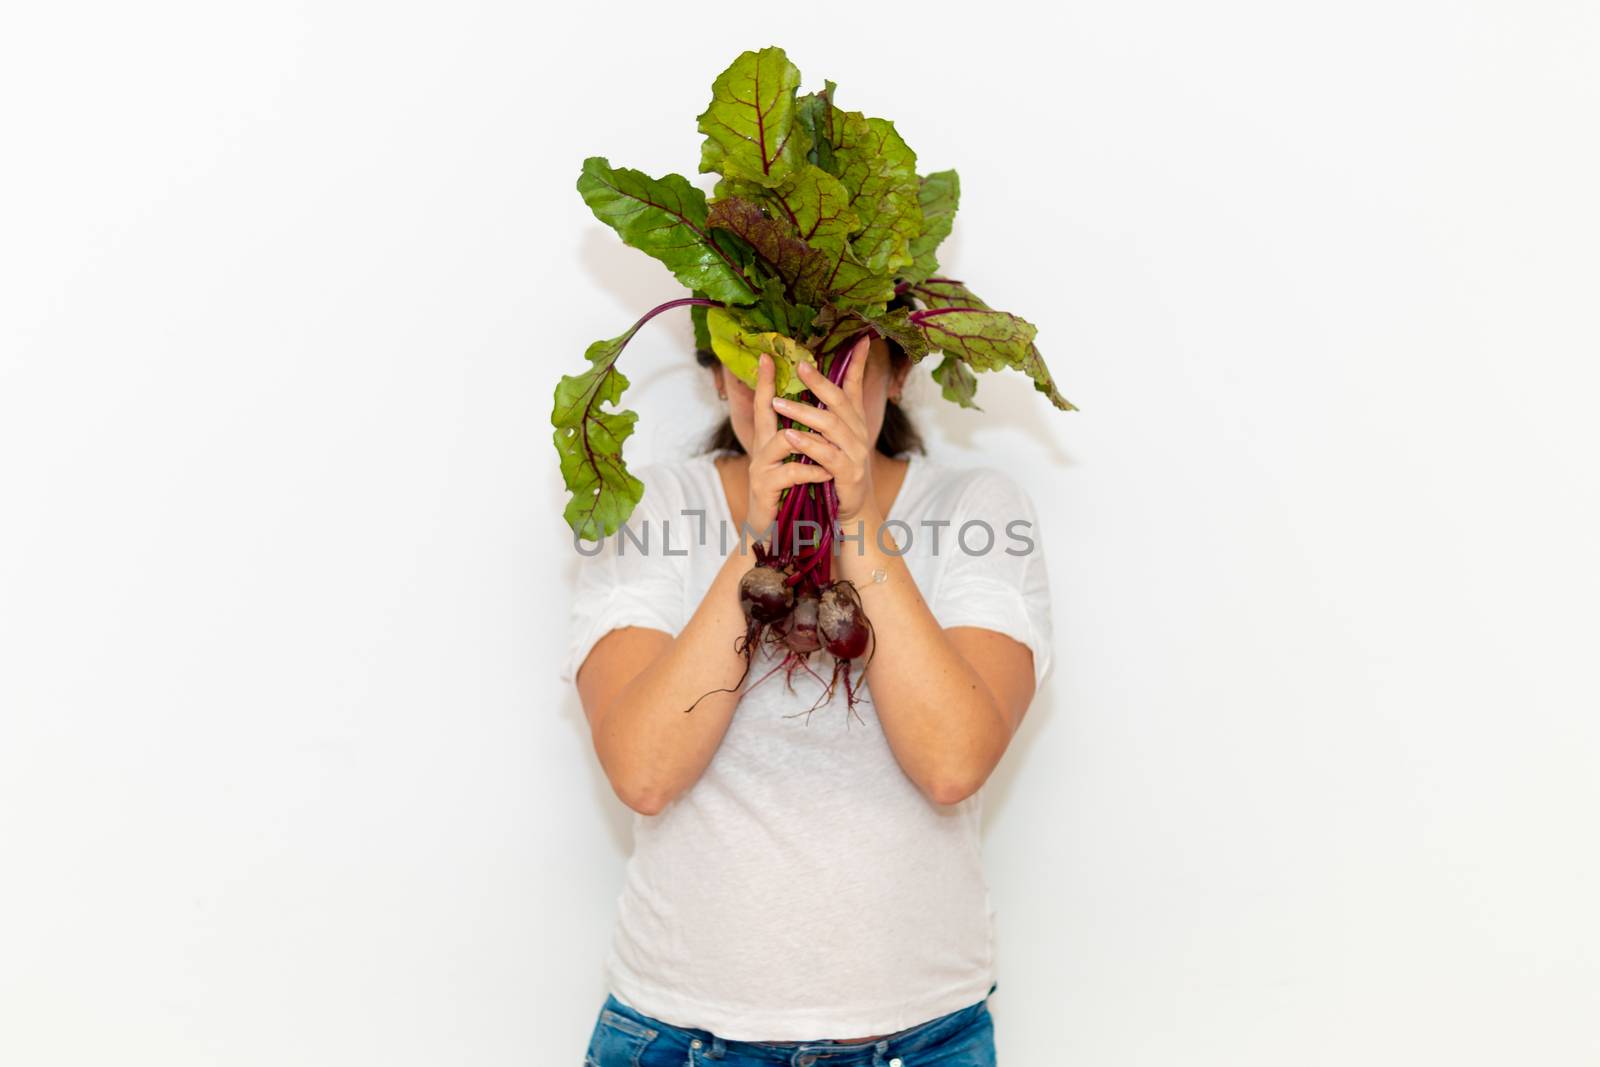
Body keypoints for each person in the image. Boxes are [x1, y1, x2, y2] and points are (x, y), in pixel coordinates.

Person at [562, 322, 1055, 1066]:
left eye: (838, 365)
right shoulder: (652, 507)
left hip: (924, 1041)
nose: (801, 393)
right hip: (681, 1040)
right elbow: (645, 772)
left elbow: (951, 760)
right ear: (722, 376)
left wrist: (855, 521)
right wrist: (758, 534)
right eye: (765, 361)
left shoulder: (977, 510)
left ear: (898, 373)